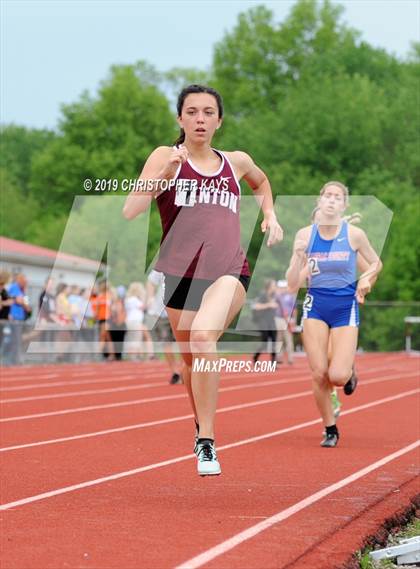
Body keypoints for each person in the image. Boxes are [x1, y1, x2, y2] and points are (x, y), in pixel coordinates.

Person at [123, 84, 283, 475]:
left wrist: (270, 215)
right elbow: (131, 210)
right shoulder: (165, 156)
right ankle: (201, 428)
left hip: (228, 269)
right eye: (191, 112)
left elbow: (261, 183)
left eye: (208, 112)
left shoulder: (237, 161)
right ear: (180, 119)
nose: (200, 119)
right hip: (179, 274)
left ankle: (207, 442)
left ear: (219, 121)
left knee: (202, 337)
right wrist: (163, 174)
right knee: (192, 362)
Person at [287, 181, 382, 448]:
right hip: (315, 306)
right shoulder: (305, 235)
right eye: (327, 196)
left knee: (337, 375)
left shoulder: (354, 235)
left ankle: (349, 370)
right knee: (319, 373)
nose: (330, 200)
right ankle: (330, 428)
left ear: (344, 204)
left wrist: (366, 282)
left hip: (344, 307)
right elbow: (293, 283)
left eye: (337, 197)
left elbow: (374, 264)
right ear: (319, 201)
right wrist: (296, 259)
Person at [146, 269, 182, 384]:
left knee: (184, 343)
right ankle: (175, 371)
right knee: (166, 343)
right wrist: (150, 298)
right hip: (162, 313)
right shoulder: (164, 263)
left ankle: (183, 370)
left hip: (182, 312)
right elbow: (151, 282)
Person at [124, 282, 154, 360]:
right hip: (135, 321)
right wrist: (149, 302)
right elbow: (143, 307)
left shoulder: (128, 299)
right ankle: (134, 357)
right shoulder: (135, 299)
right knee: (136, 339)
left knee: (132, 339)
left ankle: (132, 357)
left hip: (129, 321)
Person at [252, 279, 278, 364]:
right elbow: (256, 306)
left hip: (271, 321)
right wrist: (269, 305)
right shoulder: (262, 295)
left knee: (274, 341)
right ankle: (255, 357)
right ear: (269, 286)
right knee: (265, 342)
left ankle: (273, 362)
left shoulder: (274, 295)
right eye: (274, 285)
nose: (275, 286)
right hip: (263, 321)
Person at [274, 280, 297, 365]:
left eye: (284, 287)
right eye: (281, 287)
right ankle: (278, 357)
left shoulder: (291, 296)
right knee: (279, 338)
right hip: (279, 318)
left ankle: (291, 358)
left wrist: (293, 319)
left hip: (288, 320)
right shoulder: (277, 296)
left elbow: (294, 309)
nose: (282, 288)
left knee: (288, 339)